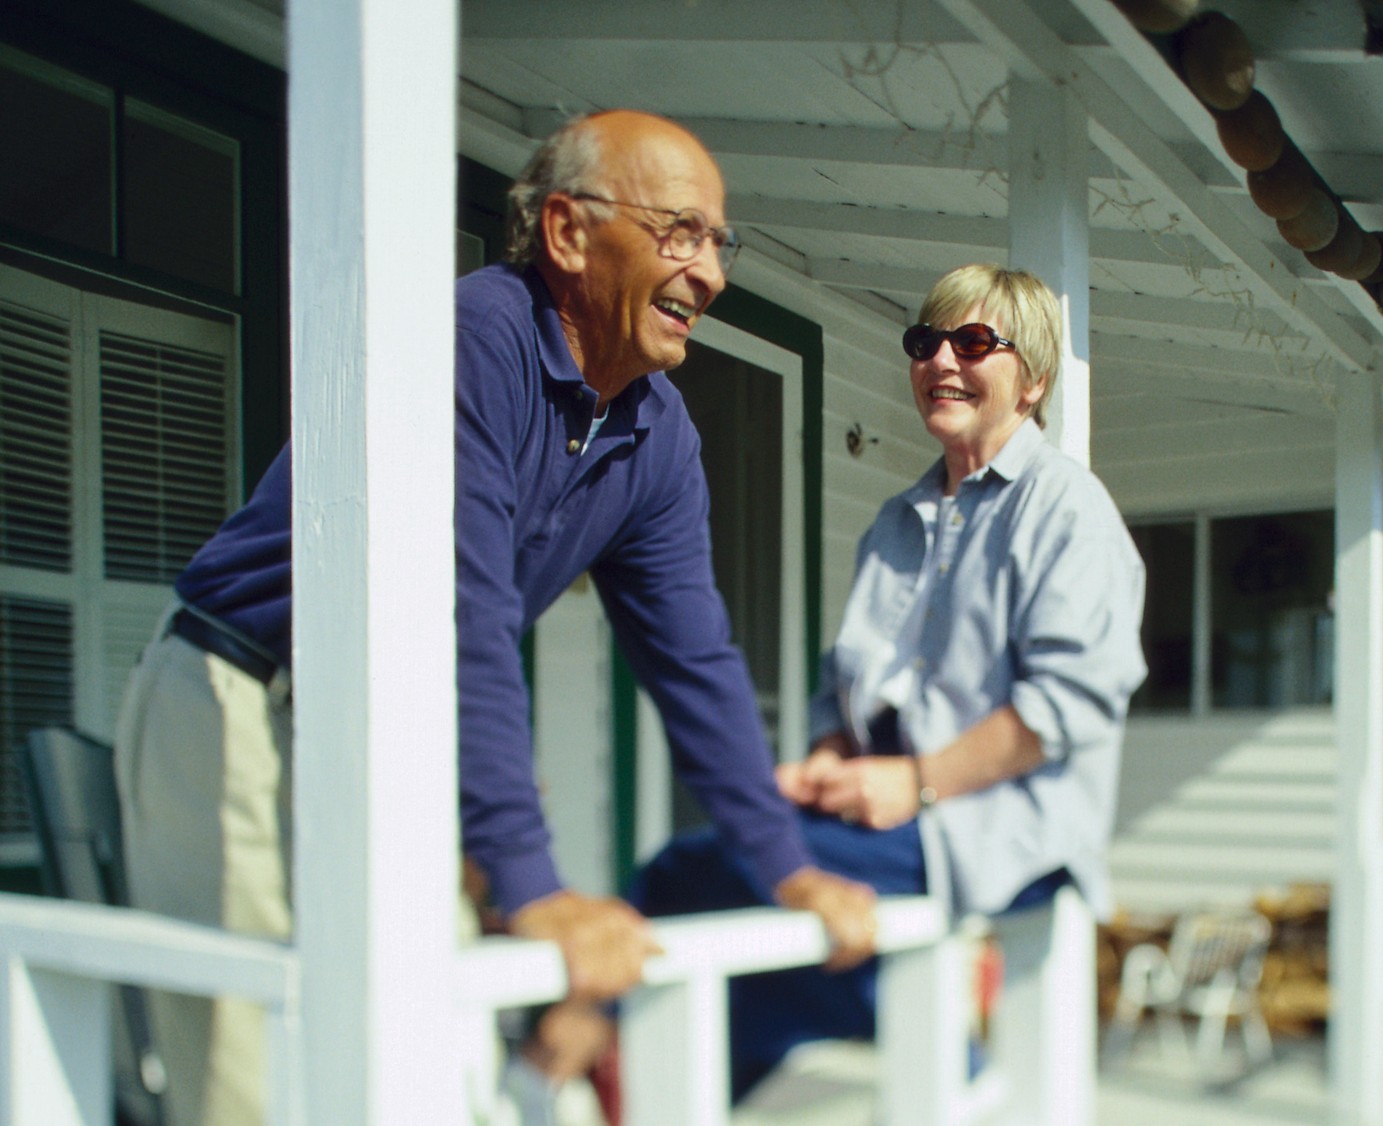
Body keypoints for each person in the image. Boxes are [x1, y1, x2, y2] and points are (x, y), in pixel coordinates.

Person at [111, 110, 876, 1125]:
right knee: (248, 1079)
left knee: (435, 1057)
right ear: (566, 232)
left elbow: (695, 661)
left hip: (383, 726)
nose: (712, 273)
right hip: (242, 693)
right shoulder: (471, 342)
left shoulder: (656, 433)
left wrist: (787, 869)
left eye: (716, 243)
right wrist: (531, 884)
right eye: (680, 233)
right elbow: (454, 615)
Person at [596, 263, 1147, 1098]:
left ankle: (574, 1063)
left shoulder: (1068, 510)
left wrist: (917, 783)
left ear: (1031, 381)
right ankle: (667, 1092)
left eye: (973, 343)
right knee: (752, 909)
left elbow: (1067, 703)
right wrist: (827, 759)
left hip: (1003, 828)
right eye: (926, 343)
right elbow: (842, 684)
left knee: (695, 871)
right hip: (891, 816)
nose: (941, 363)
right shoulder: (897, 521)